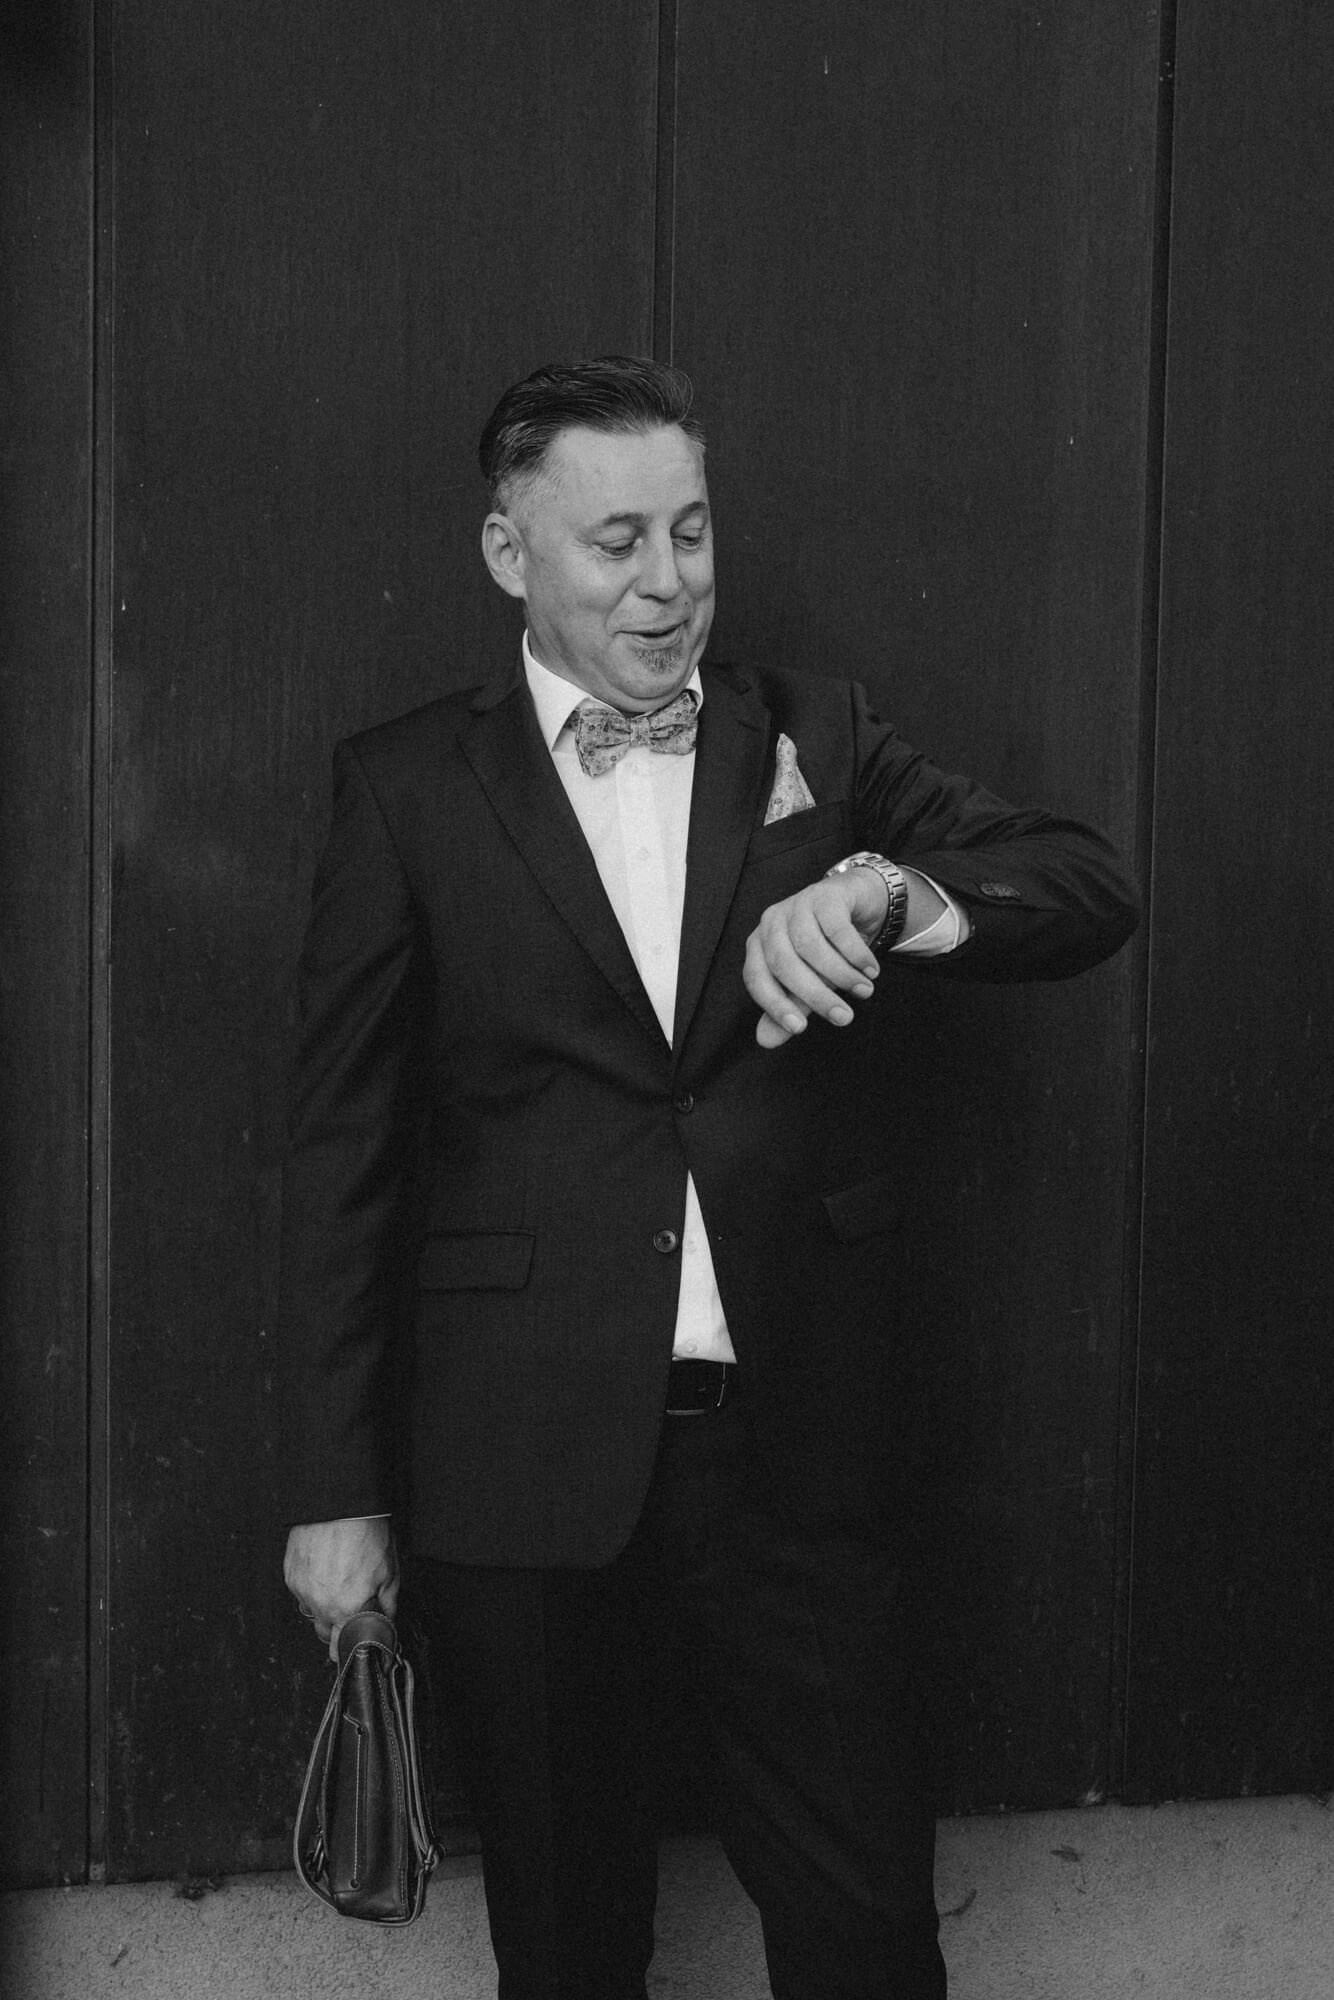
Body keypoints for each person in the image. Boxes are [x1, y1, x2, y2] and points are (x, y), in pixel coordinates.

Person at [280, 354, 1139, 1999]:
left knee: (867, 1942)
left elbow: (1081, 884)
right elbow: (339, 1153)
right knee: (569, 1947)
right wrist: (334, 1492)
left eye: (690, 531)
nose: (666, 582)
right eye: (615, 542)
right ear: (506, 553)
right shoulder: (401, 790)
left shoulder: (809, 731)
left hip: (800, 1453)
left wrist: (892, 891)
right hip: (520, 1470)